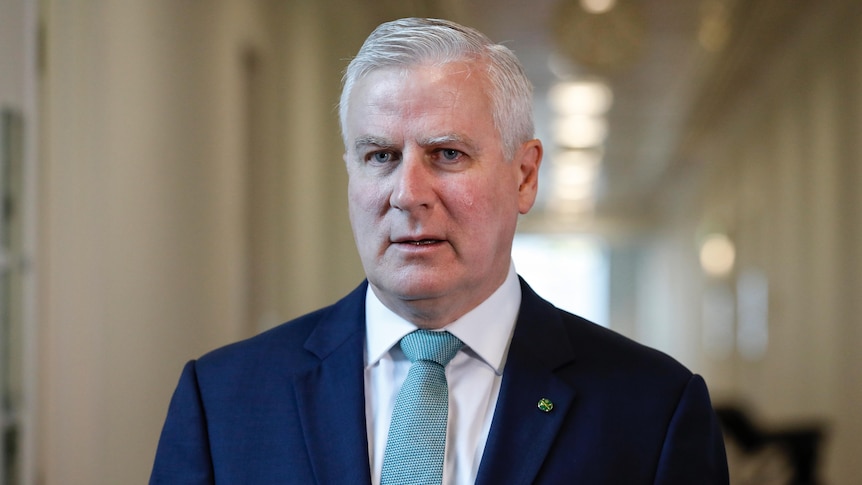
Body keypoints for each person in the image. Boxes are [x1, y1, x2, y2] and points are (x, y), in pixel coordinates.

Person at [150, 17, 728, 484]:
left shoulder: (653, 410)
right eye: (380, 156)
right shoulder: (222, 400)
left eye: (447, 155)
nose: (407, 194)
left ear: (524, 177)